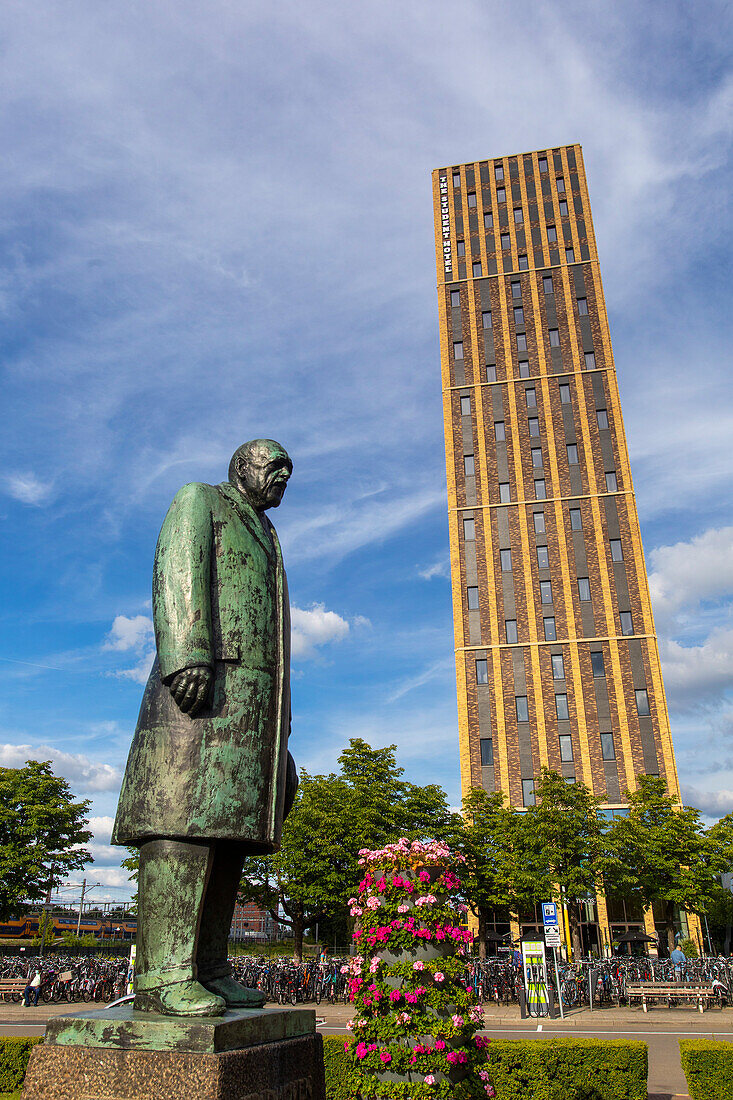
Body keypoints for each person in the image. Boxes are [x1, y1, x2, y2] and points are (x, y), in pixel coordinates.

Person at [112, 440, 298, 1017]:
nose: (283, 477)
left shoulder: (267, 536)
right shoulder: (200, 500)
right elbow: (178, 568)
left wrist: (280, 730)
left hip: (251, 712)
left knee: (229, 836)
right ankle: (163, 976)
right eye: (274, 465)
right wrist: (186, 653)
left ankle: (209, 969)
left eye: (289, 471)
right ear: (241, 467)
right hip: (200, 692)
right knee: (181, 824)